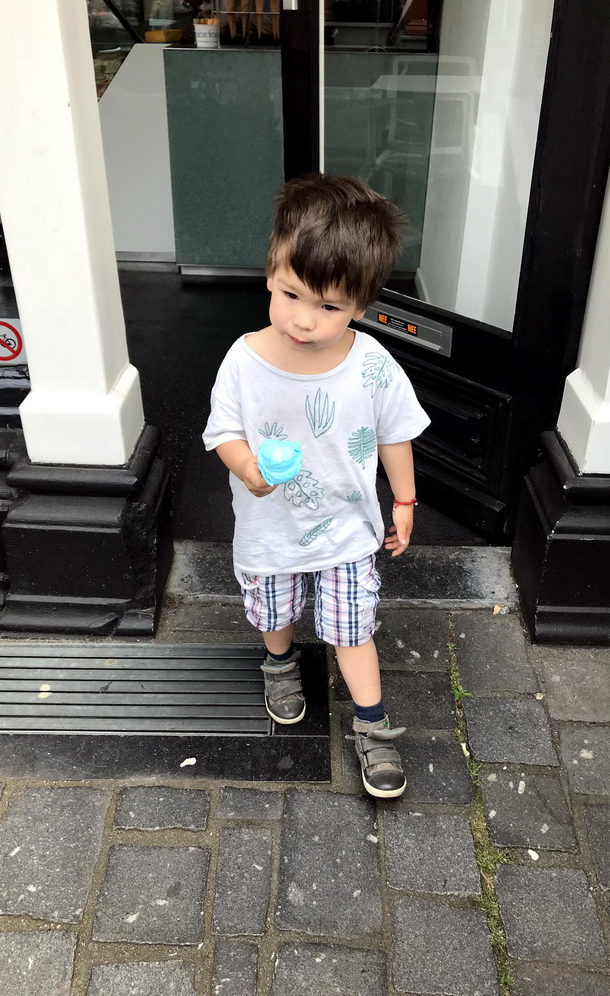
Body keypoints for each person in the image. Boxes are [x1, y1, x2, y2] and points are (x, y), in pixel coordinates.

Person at [202, 175, 430, 798]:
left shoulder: (374, 364)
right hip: (270, 529)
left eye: (328, 307)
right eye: (290, 294)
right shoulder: (244, 359)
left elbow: (396, 436)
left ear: (362, 304)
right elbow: (222, 431)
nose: (304, 319)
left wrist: (404, 501)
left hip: (348, 531)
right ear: (270, 273)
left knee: (353, 627)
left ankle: (374, 725)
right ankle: (279, 664)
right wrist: (247, 467)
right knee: (274, 613)